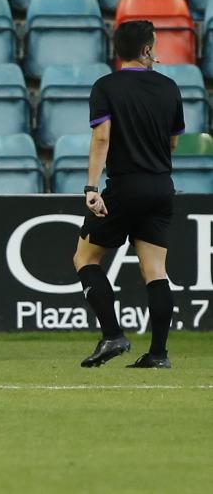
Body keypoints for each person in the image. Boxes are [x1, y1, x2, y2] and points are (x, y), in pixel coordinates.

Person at [73, 20, 185, 369]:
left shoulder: (106, 86)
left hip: (125, 186)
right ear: (147, 50)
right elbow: (174, 142)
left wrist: (92, 187)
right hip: (161, 186)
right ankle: (158, 354)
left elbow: (102, 138)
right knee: (156, 270)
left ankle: (113, 335)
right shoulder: (169, 88)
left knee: (85, 259)